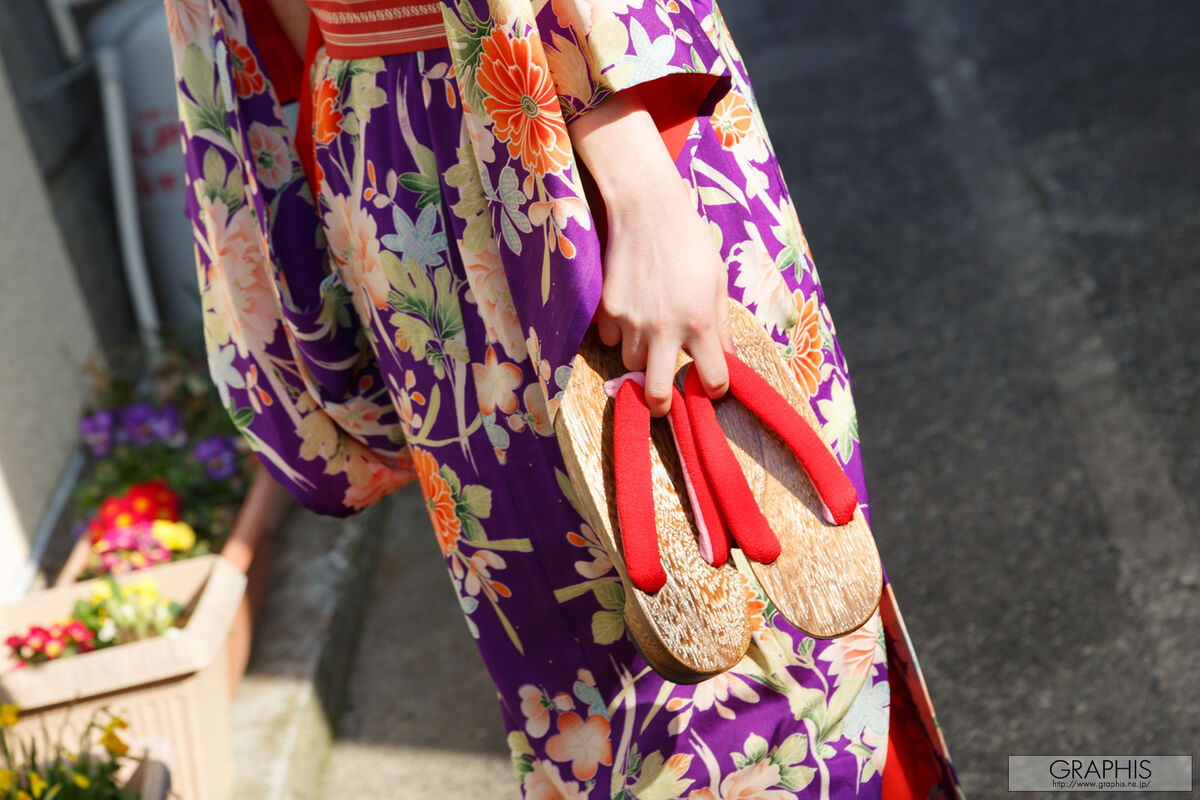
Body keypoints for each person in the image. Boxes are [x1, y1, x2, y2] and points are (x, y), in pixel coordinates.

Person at [164, 0, 962, 796]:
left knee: (631, 677)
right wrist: (639, 184)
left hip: (389, 144)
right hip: (556, 133)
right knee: (731, 665)